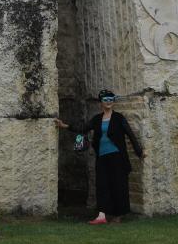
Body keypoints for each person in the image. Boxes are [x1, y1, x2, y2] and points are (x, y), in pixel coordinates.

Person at [56, 89, 144, 224]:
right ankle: (102, 215)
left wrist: (140, 152)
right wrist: (65, 126)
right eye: (105, 100)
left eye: (110, 100)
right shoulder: (97, 119)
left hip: (117, 157)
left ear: (113, 102)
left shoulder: (119, 118)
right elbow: (84, 128)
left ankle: (117, 216)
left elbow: (130, 135)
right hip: (102, 157)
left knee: (118, 185)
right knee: (102, 185)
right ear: (101, 103)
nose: (108, 102)